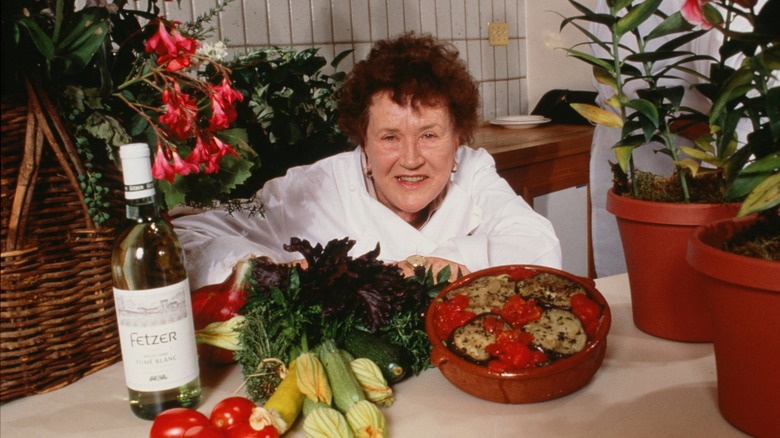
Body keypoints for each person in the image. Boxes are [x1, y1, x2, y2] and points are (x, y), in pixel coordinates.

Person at [173, 32, 562, 290]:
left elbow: (541, 248)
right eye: (390, 137)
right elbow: (187, 232)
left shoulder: (474, 171)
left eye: (429, 135)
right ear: (363, 140)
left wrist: (426, 267)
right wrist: (268, 270)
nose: (411, 160)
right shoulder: (310, 187)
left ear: (457, 136)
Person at [588, 0, 721, 277]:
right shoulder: (611, 6)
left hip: (694, 163)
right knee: (633, 285)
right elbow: (615, 82)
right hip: (633, 156)